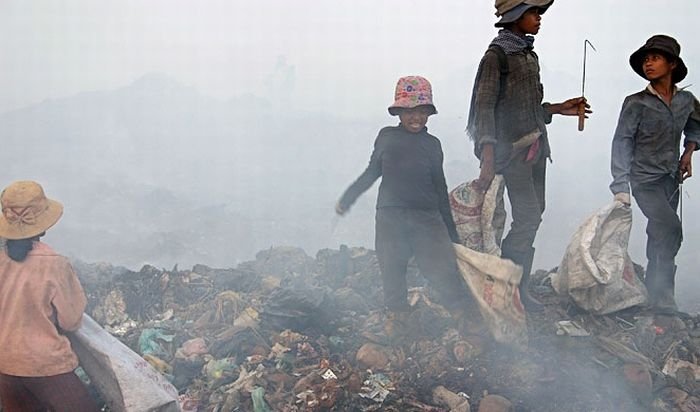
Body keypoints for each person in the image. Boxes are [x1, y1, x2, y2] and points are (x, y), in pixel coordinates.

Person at [467, 0, 590, 312]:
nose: (539, 19)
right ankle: (511, 289)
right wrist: (488, 153)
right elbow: (484, 106)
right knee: (529, 216)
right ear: (516, 16)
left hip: (536, 148)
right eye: (534, 13)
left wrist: (559, 108)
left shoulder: (527, 54)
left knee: (535, 214)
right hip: (514, 153)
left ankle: (515, 288)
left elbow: (528, 106)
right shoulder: (497, 56)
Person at [336, 75, 472, 339]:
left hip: (427, 218)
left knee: (441, 269)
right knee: (392, 269)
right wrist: (349, 197)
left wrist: (450, 232)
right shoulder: (386, 138)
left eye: (421, 112)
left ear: (429, 114)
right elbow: (372, 172)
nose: (416, 118)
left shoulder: (432, 145)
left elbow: (439, 187)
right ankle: (399, 329)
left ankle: (465, 322)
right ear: (398, 112)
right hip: (391, 216)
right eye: (409, 112)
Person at [610, 35, 700, 314]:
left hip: (670, 179)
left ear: (671, 64)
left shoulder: (686, 100)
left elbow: (696, 125)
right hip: (643, 180)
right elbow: (622, 141)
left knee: (659, 231)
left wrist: (688, 152)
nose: (648, 63)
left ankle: (657, 291)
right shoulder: (636, 102)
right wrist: (620, 185)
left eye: (655, 58)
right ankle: (662, 294)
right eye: (645, 60)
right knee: (671, 227)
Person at [0, 180, 98, 411]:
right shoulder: (55, 264)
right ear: (43, 224)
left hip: (5, 365)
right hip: (45, 365)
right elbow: (71, 321)